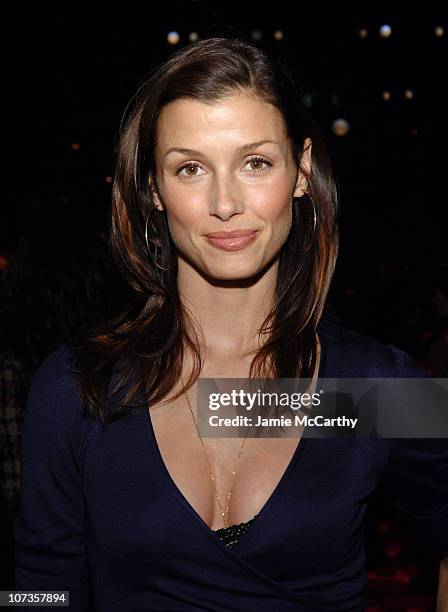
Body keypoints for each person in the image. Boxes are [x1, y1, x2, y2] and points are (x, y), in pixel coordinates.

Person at [13, 36, 448, 611]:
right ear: (153, 189)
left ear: (301, 170)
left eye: (256, 162)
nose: (224, 203)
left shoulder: (372, 388)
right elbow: (39, 586)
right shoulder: (78, 388)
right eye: (190, 168)